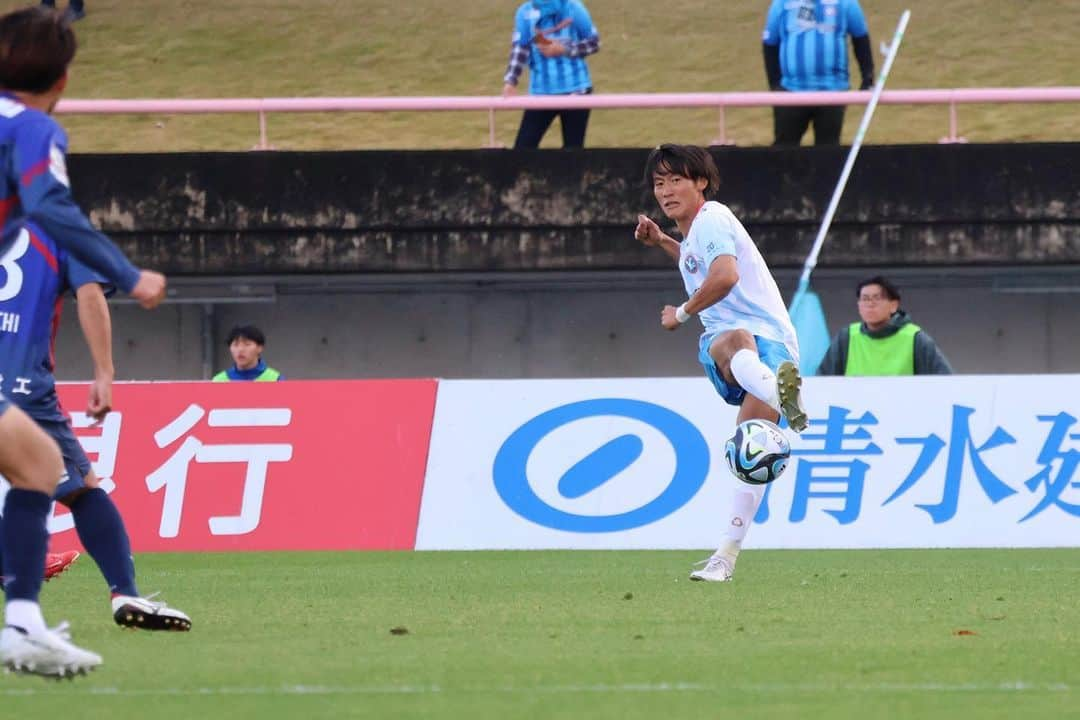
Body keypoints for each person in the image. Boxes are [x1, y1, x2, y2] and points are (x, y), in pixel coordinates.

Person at [0, 7, 167, 677]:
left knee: (39, 465)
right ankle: (23, 624)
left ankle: (22, 624)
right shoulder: (33, 128)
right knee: (46, 470)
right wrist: (131, 273)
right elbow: (47, 204)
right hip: (24, 370)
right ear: (63, 78)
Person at [0, 232, 192, 634]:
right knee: (82, 490)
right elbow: (91, 293)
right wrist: (104, 372)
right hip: (22, 389)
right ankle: (124, 591)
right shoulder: (51, 226)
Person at [634, 144, 807, 583]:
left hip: (745, 342)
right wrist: (663, 242)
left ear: (701, 183)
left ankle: (772, 390)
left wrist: (681, 314)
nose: (667, 191)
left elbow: (725, 277)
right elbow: (699, 263)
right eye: (659, 183)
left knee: (731, 338)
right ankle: (724, 559)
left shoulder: (711, 218)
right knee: (752, 454)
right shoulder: (698, 232)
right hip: (774, 352)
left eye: (677, 180)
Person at [762, 0, 875, 145]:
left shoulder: (845, 3)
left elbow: (861, 39)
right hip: (791, 92)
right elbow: (770, 44)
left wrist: (867, 77)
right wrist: (775, 86)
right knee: (783, 151)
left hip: (832, 92)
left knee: (827, 153)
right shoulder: (782, 3)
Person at [501, 0, 600, 149]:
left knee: (573, 153)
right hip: (541, 94)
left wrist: (563, 49)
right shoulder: (525, 12)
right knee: (522, 149)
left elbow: (594, 43)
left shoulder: (574, 8)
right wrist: (511, 81)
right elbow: (520, 49)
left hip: (577, 92)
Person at [817, 275, 954, 375]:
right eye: (865, 299)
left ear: (893, 305)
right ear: (858, 305)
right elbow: (823, 382)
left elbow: (944, 383)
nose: (870, 304)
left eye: (877, 298)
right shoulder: (846, 338)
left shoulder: (915, 339)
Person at [213, 325, 284, 381]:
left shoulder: (275, 379)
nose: (240, 349)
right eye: (235, 345)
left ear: (260, 348)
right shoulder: (219, 381)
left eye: (247, 344)